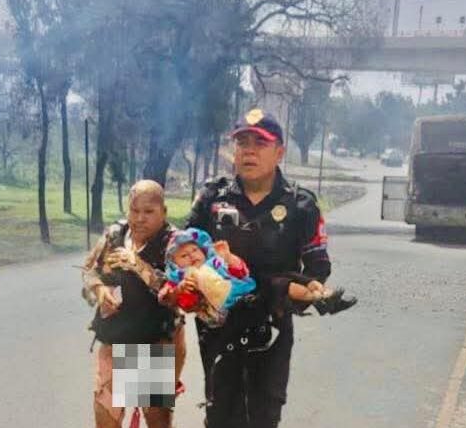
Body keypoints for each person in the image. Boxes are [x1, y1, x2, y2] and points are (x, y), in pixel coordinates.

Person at [187, 108, 350, 428]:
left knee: (261, 417)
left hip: (270, 330)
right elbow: (179, 255)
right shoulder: (211, 198)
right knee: (217, 415)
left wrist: (300, 291)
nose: (248, 151)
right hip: (214, 330)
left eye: (259, 143)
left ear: (279, 152)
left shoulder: (300, 205)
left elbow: (316, 271)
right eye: (242, 142)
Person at [82, 180, 186, 428]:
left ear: (163, 212)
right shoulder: (114, 235)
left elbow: (179, 292)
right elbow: (88, 271)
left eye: (149, 211)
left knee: (156, 420)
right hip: (113, 339)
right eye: (134, 210)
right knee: (106, 419)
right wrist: (99, 290)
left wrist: (138, 265)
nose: (140, 218)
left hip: (150, 341)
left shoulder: (174, 243)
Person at [160, 227, 355, 326]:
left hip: (246, 291)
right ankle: (317, 298)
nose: (192, 256)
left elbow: (240, 271)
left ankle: (322, 294)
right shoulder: (180, 277)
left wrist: (229, 258)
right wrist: (181, 290)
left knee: (287, 276)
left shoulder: (214, 262)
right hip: (234, 308)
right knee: (281, 285)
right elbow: (179, 301)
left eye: (195, 250)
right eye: (184, 256)